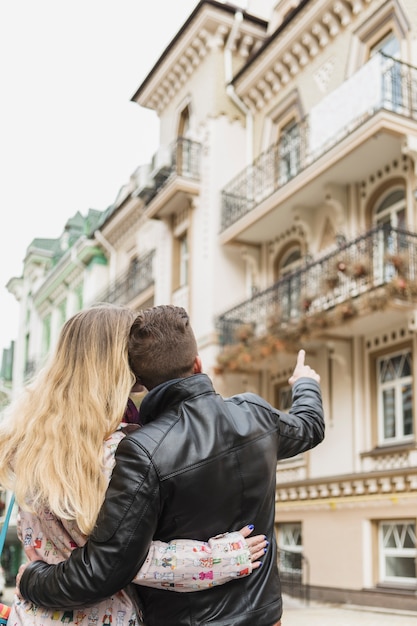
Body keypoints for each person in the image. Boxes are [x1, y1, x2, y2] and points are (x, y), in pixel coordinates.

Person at [19, 304, 325, 626]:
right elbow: (309, 425)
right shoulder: (254, 413)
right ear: (198, 363)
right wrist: (305, 382)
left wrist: (29, 579)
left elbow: (109, 564)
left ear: (139, 378)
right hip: (264, 616)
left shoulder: (131, 447)